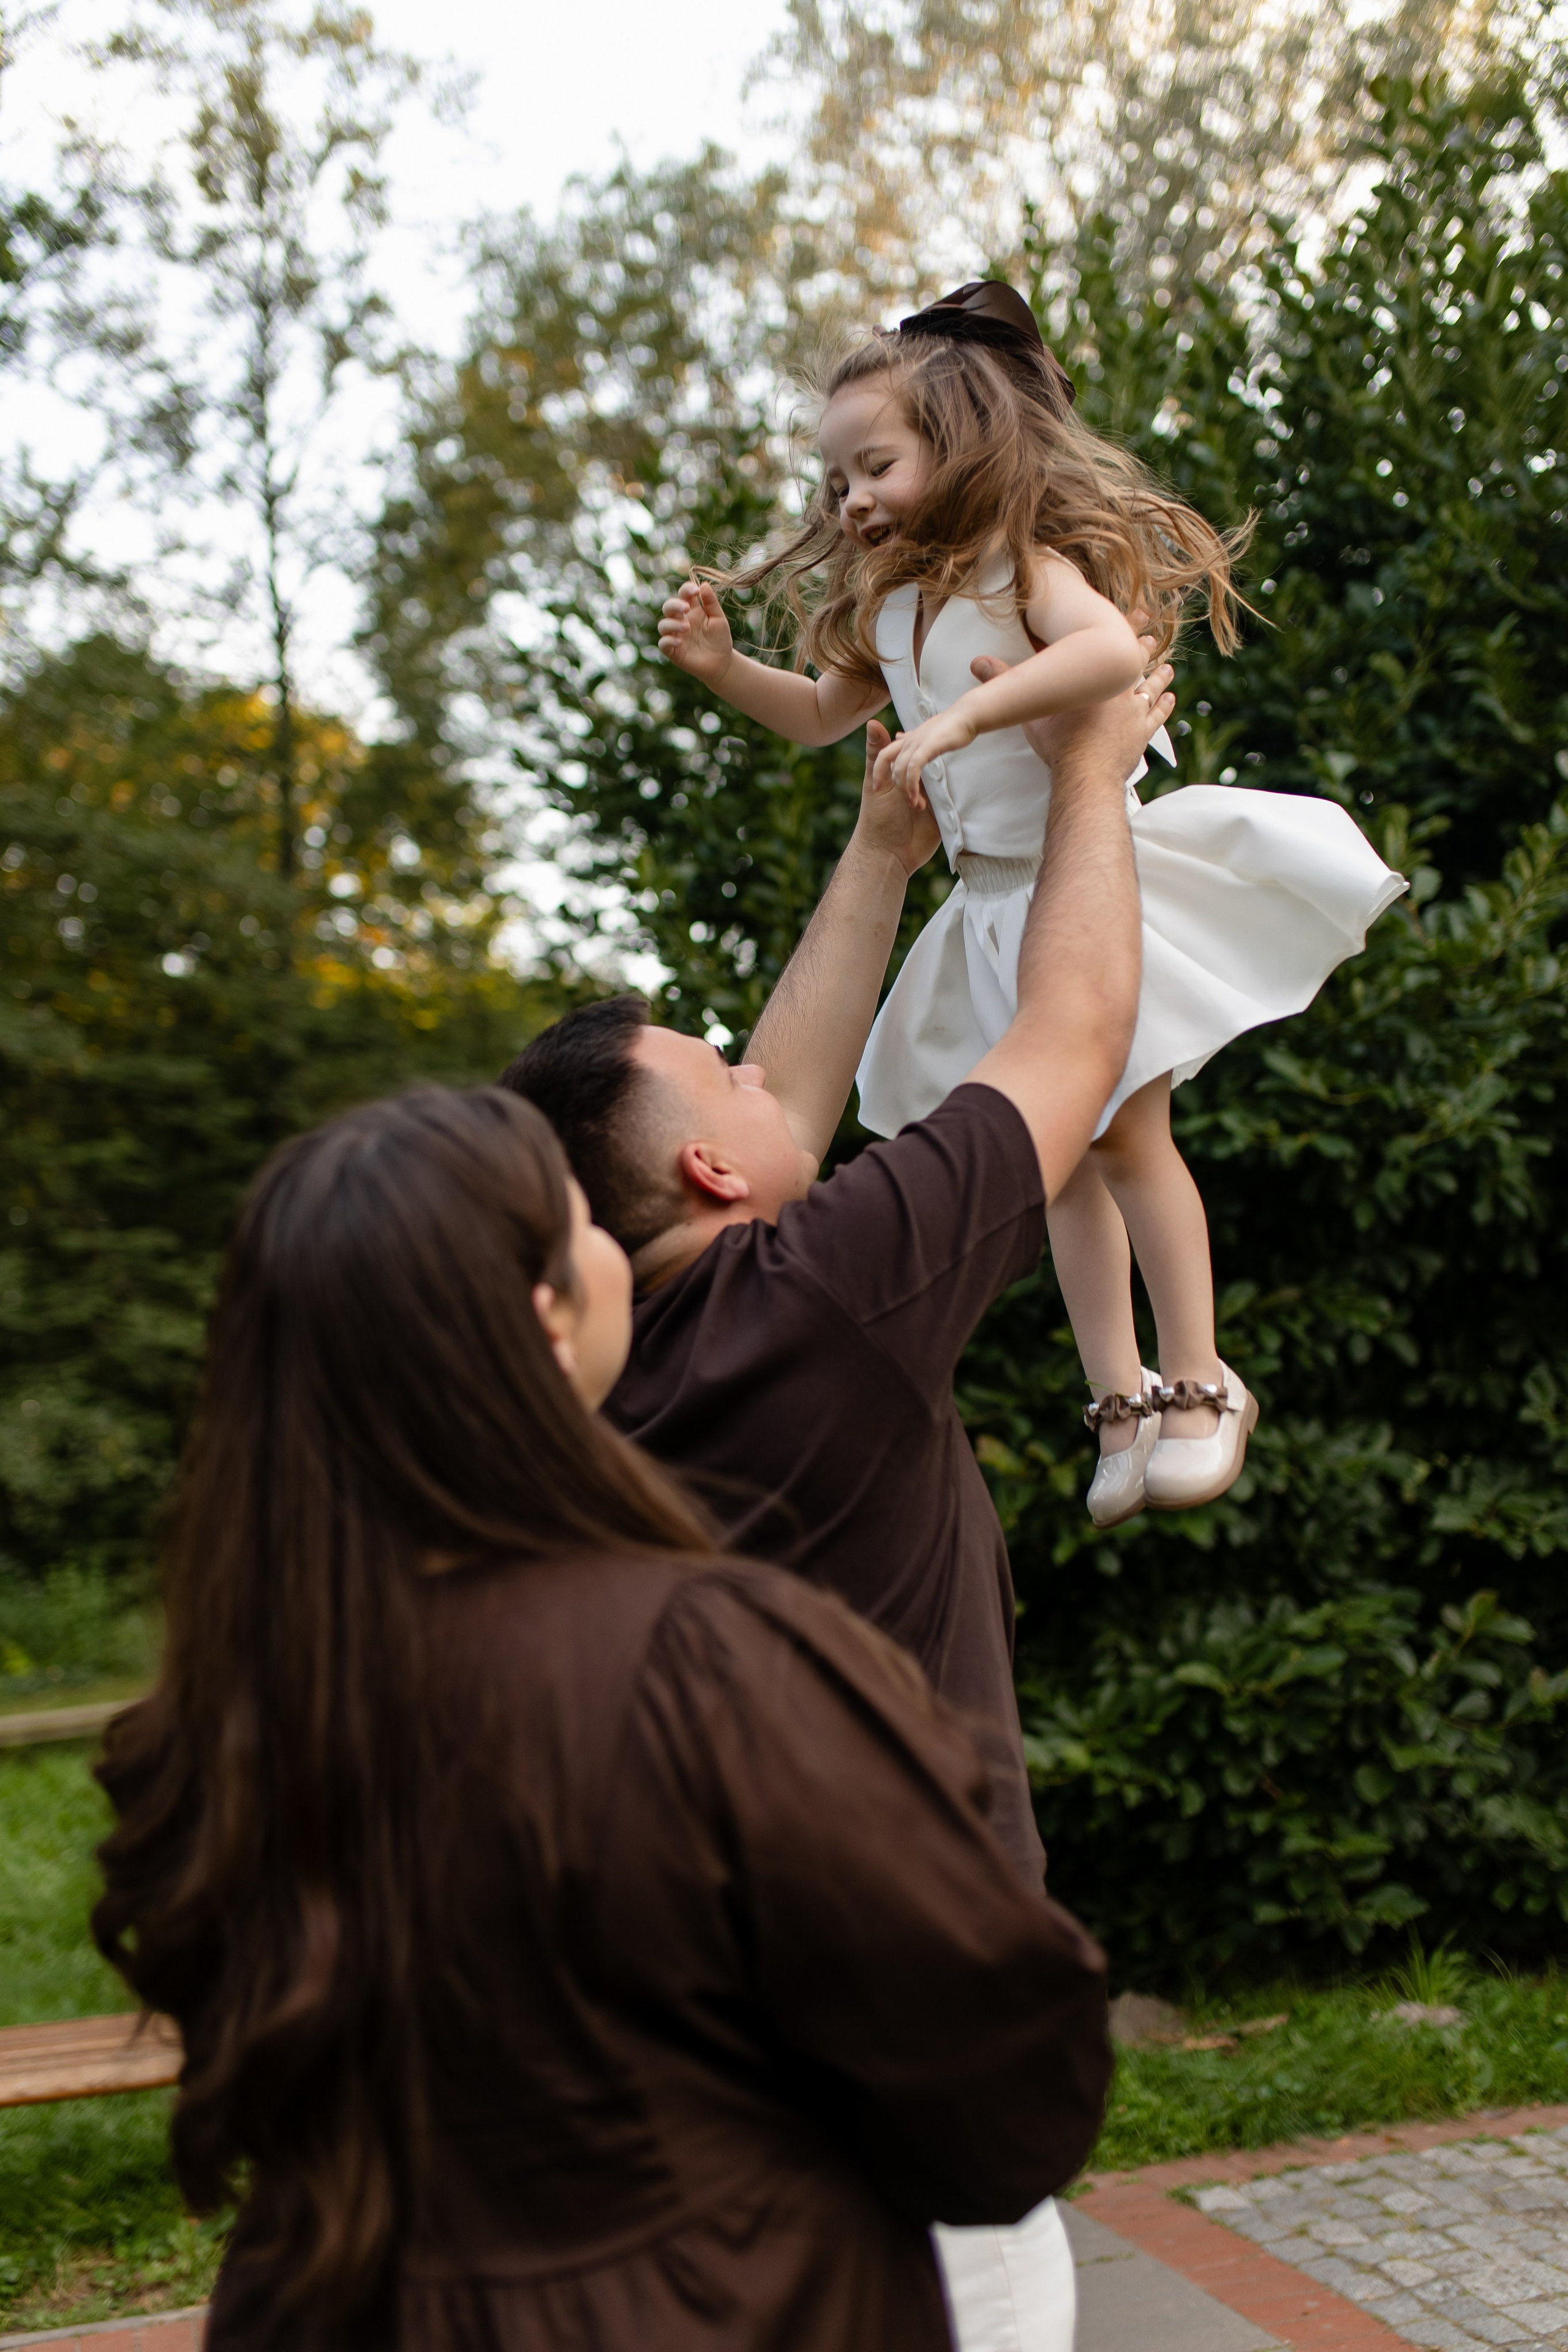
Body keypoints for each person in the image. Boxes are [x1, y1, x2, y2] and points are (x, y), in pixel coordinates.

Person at [91, 1086, 1112, 2352]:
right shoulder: (704, 1660)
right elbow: (1004, 2098)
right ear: (543, 1317)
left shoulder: (218, 1715)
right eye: (580, 1220)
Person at [502, 663, 1167, 2352]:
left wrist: (881, 852)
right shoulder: (825, 1296)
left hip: (676, 2026)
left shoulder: (569, 1383)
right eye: (715, 1068)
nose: (751, 1070)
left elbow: (776, 1120)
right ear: (711, 1177)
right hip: (908, 2010)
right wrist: (1090, 767)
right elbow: (1077, 1036)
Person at [657, 277, 1406, 1525]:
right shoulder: (882, 611)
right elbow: (813, 720)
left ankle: (1200, 1376)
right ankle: (1115, 1396)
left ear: (954, 447)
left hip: (1095, 883)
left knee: (1128, 1136)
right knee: (1049, 1162)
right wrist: (726, 667)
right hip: (992, 909)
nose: (851, 501)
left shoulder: (1020, 563)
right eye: (836, 481)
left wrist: (962, 714)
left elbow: (1107, 652)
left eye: (875, 466)